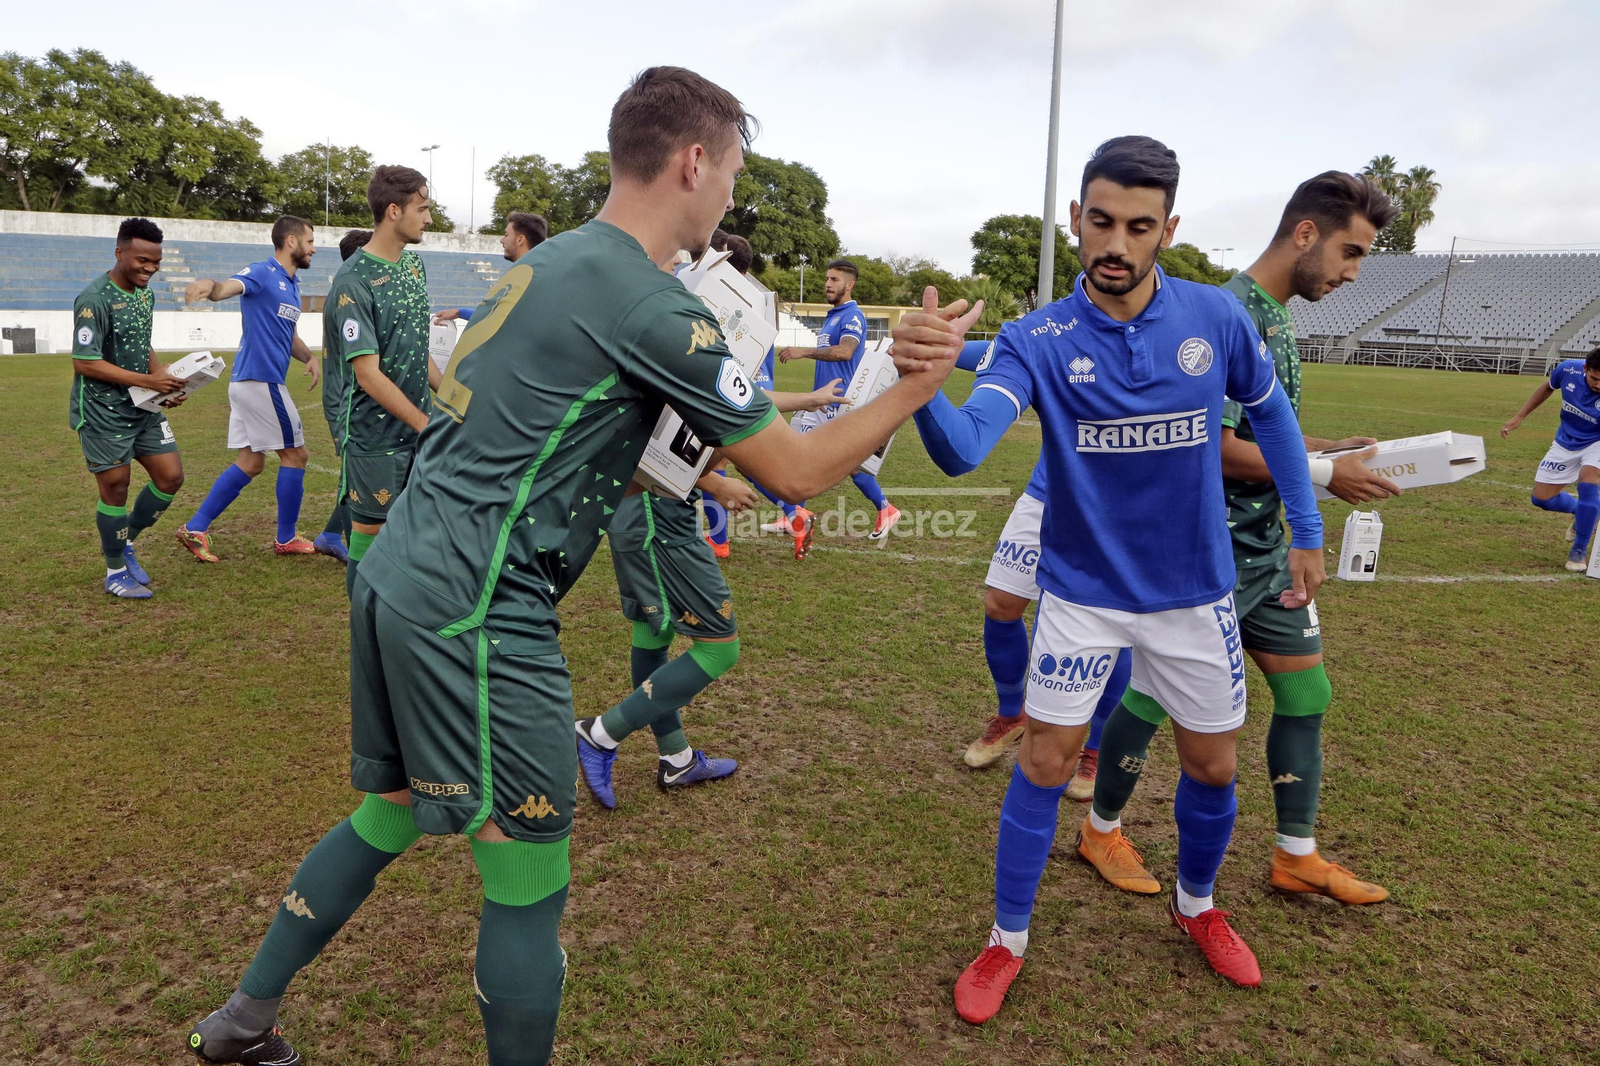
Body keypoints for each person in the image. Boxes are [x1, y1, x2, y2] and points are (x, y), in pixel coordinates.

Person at [185, 66, 977, 1066]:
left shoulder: (554, 261)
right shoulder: (654, 305)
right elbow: (804, 471)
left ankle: (240, 1023)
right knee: (526, 876)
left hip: (401, 573)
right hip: (476, 604)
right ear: (694, 161)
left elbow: (574, 440)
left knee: (385, 813)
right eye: (732, 170)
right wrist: (913, 385)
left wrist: (710, 477)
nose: (731, 192)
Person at [901, 136, 1324, 1019]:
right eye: (1101, 222)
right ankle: (1005, 939)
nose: (1117, 245)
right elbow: (965, 448)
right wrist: (922, 388)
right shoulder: (1036, 338)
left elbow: (1276, 423)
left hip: (1195, 596)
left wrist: (1307, 531)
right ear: (1075, 220)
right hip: (1082, 597)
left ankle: (1198, 906)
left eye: (1139, 226)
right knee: (1047, 761)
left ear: (1168, 227)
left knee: (1211, 766)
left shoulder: (1214, 318)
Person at [1084, 171, 1401, 913]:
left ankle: (1296, 856)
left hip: (1263, 550)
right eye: (1350, 253)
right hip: (1203, 555)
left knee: (1306, 691)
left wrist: (1327, 448)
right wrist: (1326, 473)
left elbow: (1266, 432)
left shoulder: (1275, 316)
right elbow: (1207, 445)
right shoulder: (1221, 315)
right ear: (1305, 235)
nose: (1352, 273)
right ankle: (1101, 830)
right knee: (1155, 696)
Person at [175, 216, 334, 561]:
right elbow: (226, 288)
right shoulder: (263, 272)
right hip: (261, 381)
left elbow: (288, 334)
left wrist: (309, 357)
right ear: (291, 242)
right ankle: (286, 538)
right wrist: (209, 285)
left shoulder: (292, 285)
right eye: (310, 241)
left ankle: (195, 527)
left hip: (249, 382)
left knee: (250, 462)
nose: (314, 247)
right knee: (297, 455)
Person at [319, 167, 441, 596]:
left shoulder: (414, 265)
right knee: (369, 540)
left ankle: (397, 626)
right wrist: (426, 424)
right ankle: (365, 632)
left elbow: (414, 346)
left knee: (412, 536)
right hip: (375, 435)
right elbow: (367, 374)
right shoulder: (354, 281)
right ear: (394, 210)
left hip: (416, 427)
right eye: (422, 209)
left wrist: (449, 399)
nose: (429, 219)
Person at [700, 230, 840, 559]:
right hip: (758, 391)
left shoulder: (724, 298)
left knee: (710, 465)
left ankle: (721, 540)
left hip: (737, 392)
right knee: (735, 465)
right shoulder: (759, 298)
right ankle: (793, 515)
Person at [69, 217, 188, 600]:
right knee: (116, 488)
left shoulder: (144, 294)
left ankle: (127, 542)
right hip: (104, 411)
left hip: (143, 405)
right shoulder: (94, 300)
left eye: (155, 262)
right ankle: (115, 570)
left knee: (171, 478)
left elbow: (143, 344)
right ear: (119, 253)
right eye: (142, 261)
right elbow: (84, 361)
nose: (150, 269)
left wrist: (163, 381)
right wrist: (147, 382)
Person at [779, 259, 902, 543]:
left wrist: (803, 352)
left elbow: (846, 352)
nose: (827, 283)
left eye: (834, 279)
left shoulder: (853, 316)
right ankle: (794, 515)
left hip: (838, 403)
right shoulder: (833, 315)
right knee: (791, 454)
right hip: (819, 400)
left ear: (849, 284)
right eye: (826, 278)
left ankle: (886, 509)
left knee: (850, 464)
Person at [1501, 346, 1600, 570]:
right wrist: (1520, 416)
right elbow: (1548, 387)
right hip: (1565, 440)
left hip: (1597, 441)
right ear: (1585, 369)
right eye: (1595, 378)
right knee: (1542, 499)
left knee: (1589, 481)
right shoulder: (1567, 370)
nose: (1599, 385)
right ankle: (1585, 512)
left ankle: (1578, 552)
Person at [433, 211, 549, 325]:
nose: (502, 240)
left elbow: (498, 319)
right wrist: (460, 312)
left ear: (520, 240)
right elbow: (496, 315)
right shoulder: (535, 273)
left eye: (506, 235)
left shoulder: (529, 280)